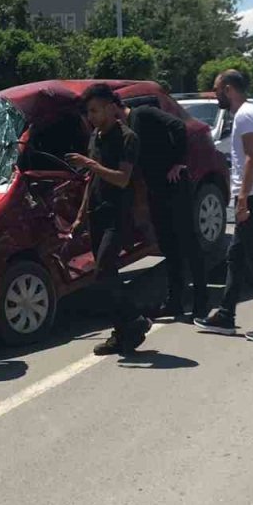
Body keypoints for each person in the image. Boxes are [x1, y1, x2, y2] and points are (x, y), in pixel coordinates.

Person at [194, 70, 253, 344]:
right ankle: (226, 315)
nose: (215, 95)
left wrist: (244, 198)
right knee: (235, 258)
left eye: (216, 90)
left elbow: (252, 158)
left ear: (228, 89)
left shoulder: (245, 116)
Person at [68, 84, 152, 356]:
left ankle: (135, 318)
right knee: (105, 275)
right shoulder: (95, 137)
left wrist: (89, 164)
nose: (90, 116)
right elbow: (92, 180)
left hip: (118, 214)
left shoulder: (128, 138)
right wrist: (81, 215)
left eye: (94, 110)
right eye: (88, 112)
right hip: (96, 213)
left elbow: (122, 178)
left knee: (104, 269)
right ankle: (123, 332)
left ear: (109, 107)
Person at [127, 100, 209, 321]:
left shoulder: (143, 113)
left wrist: (178, 162)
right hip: (156, 190)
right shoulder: (126, 127)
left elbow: (178, 126)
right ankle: (174, 302)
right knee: (168, 246)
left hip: (175, 186)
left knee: (188, 242)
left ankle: (202, 302)